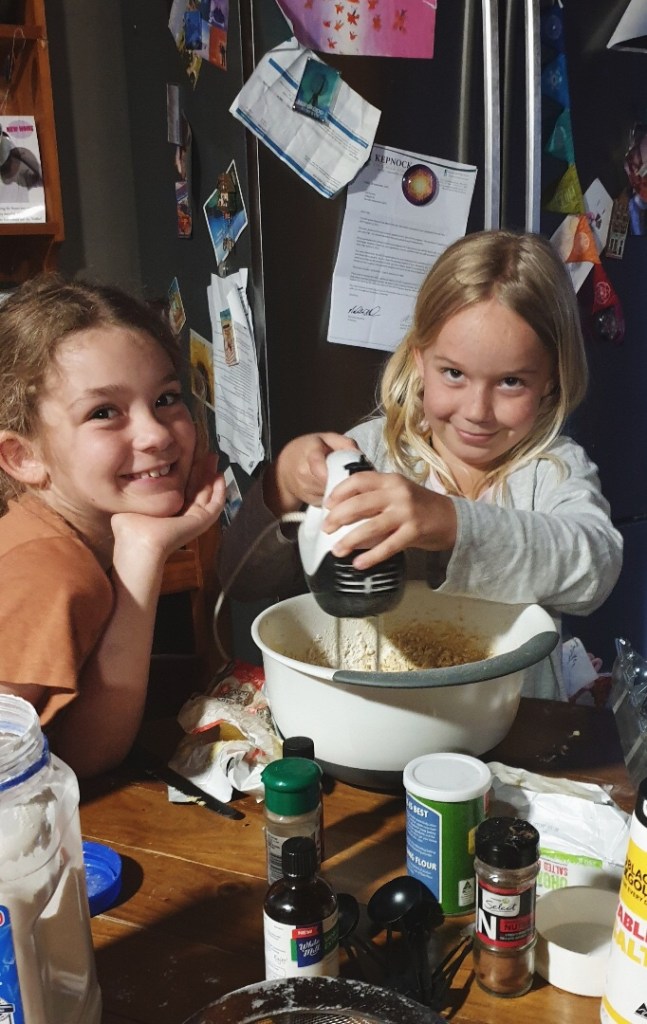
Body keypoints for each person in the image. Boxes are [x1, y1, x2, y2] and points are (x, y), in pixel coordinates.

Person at [217, 230, 623, 700]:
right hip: (379, 713)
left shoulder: (552, 469)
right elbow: (240, 580)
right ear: (420, 361)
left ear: (551, 379)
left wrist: (451, 523)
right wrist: (283, 485)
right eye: (454, 373)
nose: (477, 411)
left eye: (511, 382)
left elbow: (597, 566)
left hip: (516, 720)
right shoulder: (371, 454)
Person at [0, 274, 226, 777]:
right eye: (104, 412)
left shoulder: (70, 538)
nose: (155, 434)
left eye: (166, 398)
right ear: (24, 457)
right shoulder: (50, 575)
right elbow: (81, 759)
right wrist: (142, 555)